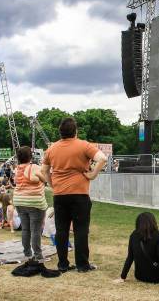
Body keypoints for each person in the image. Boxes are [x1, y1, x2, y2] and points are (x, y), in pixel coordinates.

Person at [41, 117, 107, 273]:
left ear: (60, 132)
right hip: (79, 194)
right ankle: (82, 265)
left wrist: (52, 184)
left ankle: (63, 264)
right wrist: (93, 175)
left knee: (61, 230)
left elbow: (44, 170)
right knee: (81, 230)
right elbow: (102, 158)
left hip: (60, 195)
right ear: (75, 131)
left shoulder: (52, 148)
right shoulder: (84, 145)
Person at [114, 212, 159, 292]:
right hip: (158, 277)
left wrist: (122, 277)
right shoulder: (158, 235)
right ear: (153, 222)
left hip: (140, 276)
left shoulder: (133, 235)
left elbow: (130, 258)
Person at [13, 146, 48, 263]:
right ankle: (38, 256)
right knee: (36, 230)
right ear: (30, 156)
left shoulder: (17, 169)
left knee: (26, 229)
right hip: (34, 202)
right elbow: (44, 179)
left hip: (19, 200)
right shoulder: (34, 167)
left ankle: (27, 253)